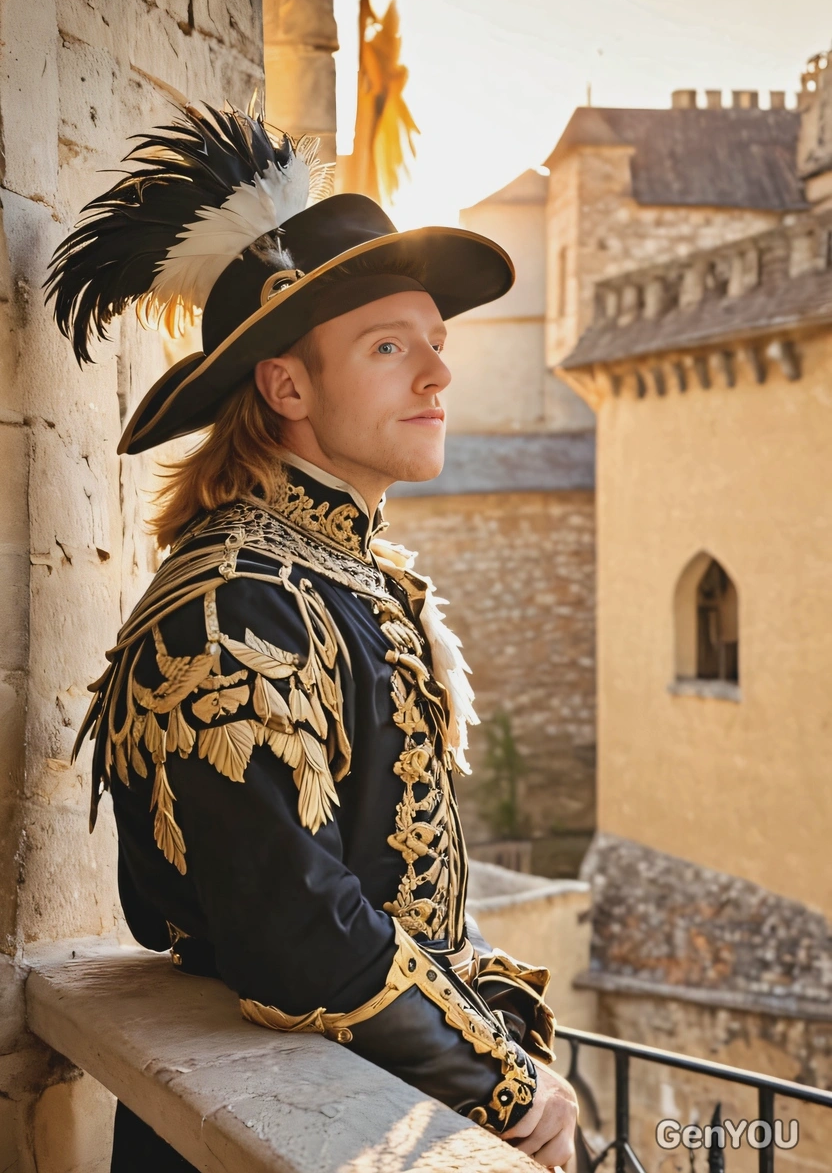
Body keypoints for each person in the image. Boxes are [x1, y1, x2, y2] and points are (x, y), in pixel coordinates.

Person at [46, 101, 578, 1171]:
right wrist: (505, 1080)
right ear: (286, 385)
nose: (437, 375)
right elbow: (292, 931)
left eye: (437, 344)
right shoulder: (236, 601)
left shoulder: (347, 573)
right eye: (390, 347)